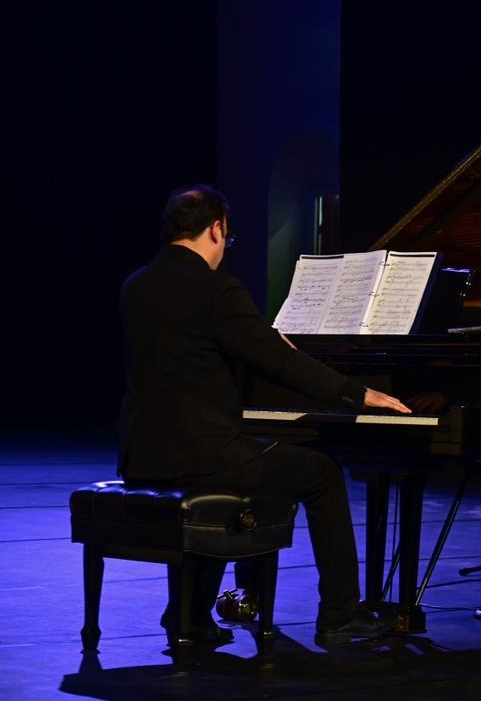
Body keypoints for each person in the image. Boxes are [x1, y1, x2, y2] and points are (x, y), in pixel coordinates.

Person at [118, 184, 410, 647]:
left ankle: (189, 616)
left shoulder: (136, 286)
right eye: (227, 238)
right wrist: (357, 394)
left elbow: (193, 357)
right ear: (217, 228)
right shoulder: (216, 289)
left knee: (244, 470)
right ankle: (339, 614)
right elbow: (278, 363)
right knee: (322, 474)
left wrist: (263, 341)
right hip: (204, 455)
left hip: (144, 455)